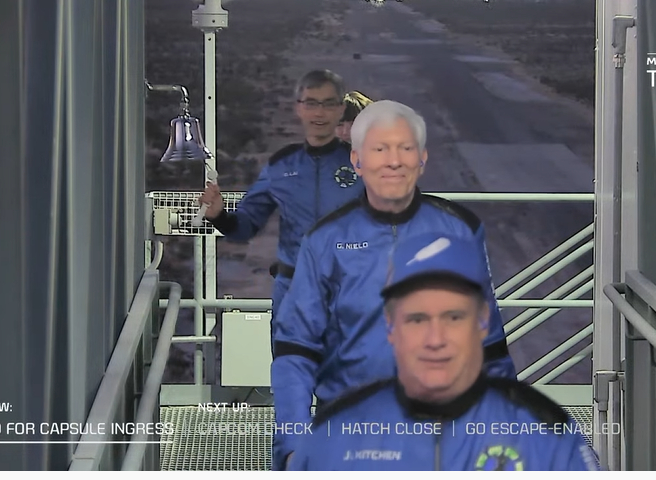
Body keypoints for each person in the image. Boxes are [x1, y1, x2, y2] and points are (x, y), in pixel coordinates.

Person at [271, 100, 517, 470]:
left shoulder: (460, 230)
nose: (393, 161)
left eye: (405, 148)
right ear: (356, 161)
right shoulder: (324, 240)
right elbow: (295, 351)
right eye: (379, 149)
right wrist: (293, 444)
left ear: (422, 158)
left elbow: (490, 347)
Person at [286, 232, 600, 471]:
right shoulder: (334, 436)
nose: (435, 339)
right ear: (391, 325)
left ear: (482, 321)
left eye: (453, 317)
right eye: (417, 318)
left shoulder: (545, 433)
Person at [197, 70, 364, 347]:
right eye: (311, 104)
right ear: (299, 109)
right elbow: (244, 228)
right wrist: (219, 216)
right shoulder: (282, 166)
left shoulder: (370, 167)